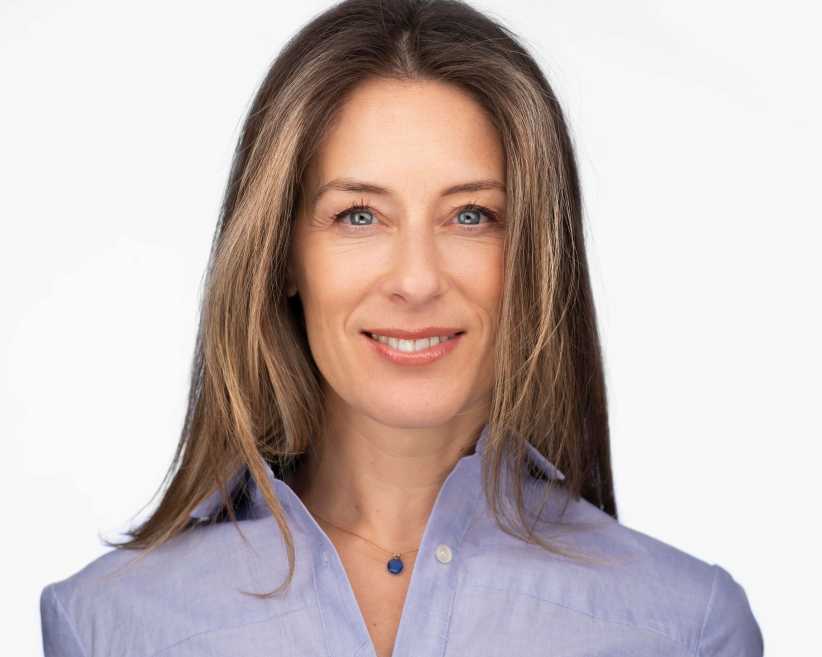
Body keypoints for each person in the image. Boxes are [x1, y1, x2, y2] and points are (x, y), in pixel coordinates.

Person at [39, 1, 764, 655]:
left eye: (471, 216)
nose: (416, 279)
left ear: (534, 258)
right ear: (283, 254)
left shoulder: (683, 628)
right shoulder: (109, 624)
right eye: (360, 215)